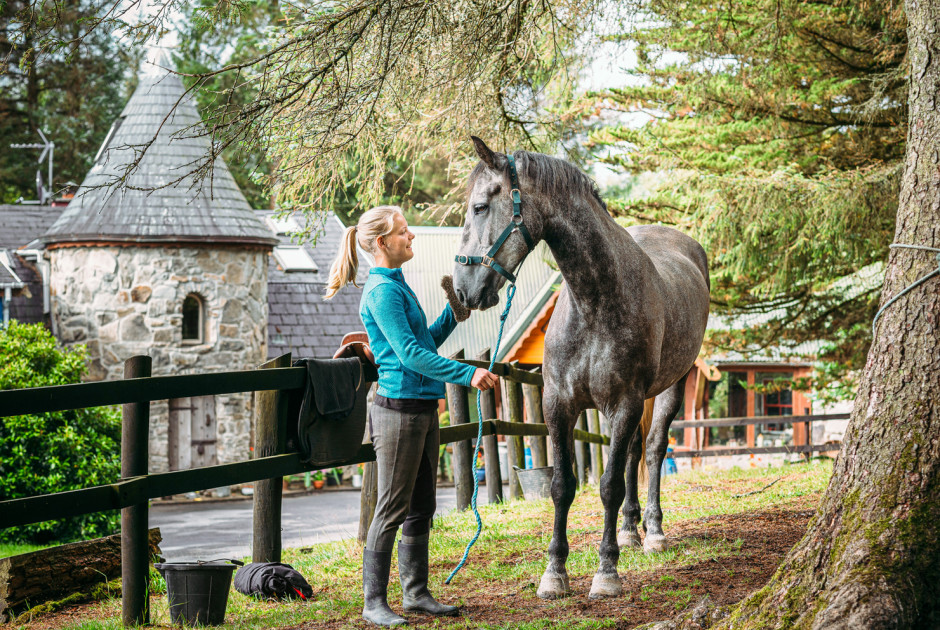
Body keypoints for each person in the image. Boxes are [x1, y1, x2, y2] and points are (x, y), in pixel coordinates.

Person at [326, 205, 498, 627]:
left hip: (421, 408)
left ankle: (416, 593)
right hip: (399, 411)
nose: (411, 236)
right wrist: (468, 373)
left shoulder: (397, 284)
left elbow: (425, 342)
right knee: (391, 508)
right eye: (403, 232)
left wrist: (454, 310)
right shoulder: (382, 292)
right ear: (382, 242)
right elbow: (409, 356)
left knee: (422, 506)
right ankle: (373, 603)